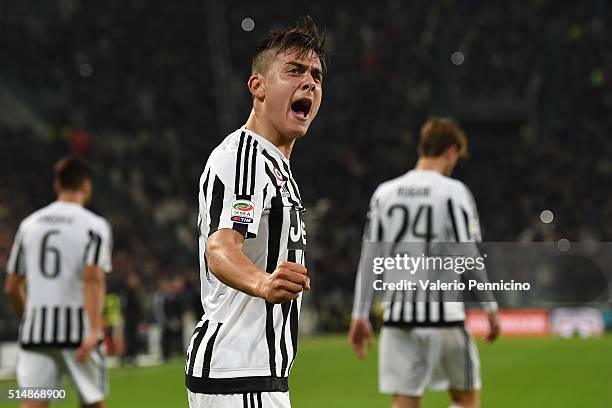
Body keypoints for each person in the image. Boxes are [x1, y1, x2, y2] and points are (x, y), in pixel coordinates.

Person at [184, 15, 327, 408]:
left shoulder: (274, 164)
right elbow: (221, 248)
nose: (309, 82)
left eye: (316, 75)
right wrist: (265, 284)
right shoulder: (246, 157)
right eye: (294, 71)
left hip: (250, 375)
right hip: (239, 374)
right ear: (257, 86)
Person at [348, 118, 501, 408]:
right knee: (466, 398)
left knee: (404, 402)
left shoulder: (385, 193)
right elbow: (468, 254)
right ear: (452, 151)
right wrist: (490, 307)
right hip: (445, 316)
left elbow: (370, 257)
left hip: (398, 318)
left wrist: (360, 314)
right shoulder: (454, 192)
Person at [4, 156, 112, 408]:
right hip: (79, 333)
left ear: (57, 185)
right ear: (86, 186)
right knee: (92, 402)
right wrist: (95, 329)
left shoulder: (29, 225)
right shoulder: (94, 225)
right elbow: (93, 276)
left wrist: (28, 317)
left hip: (36, 334)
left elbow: (12, 285)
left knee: (33, 403)